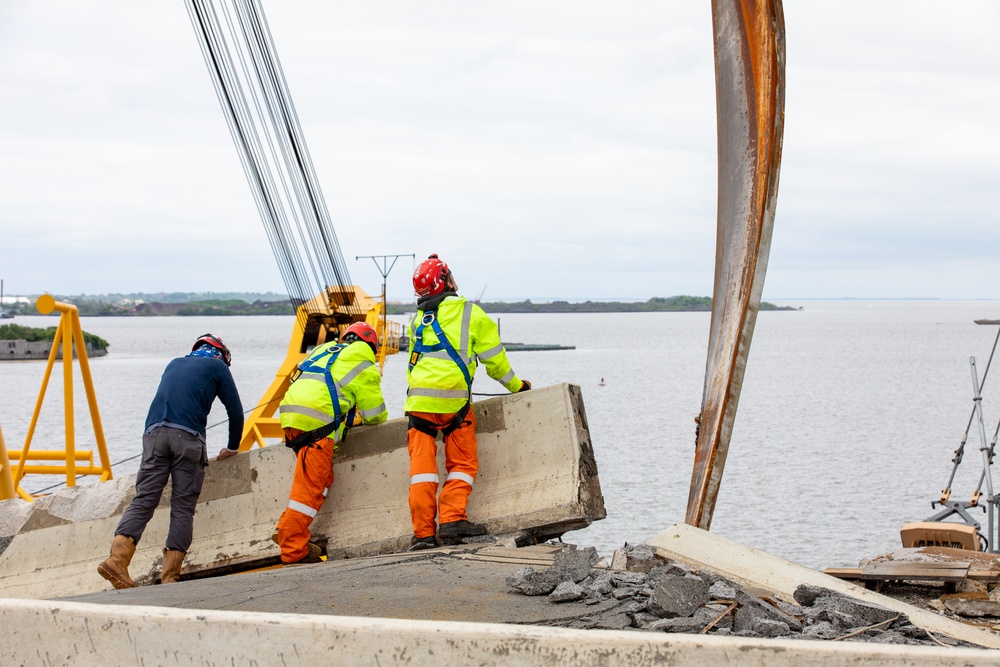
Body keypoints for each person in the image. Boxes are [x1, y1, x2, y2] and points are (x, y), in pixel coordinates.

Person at [97, 333, 244, 589]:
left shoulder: (174, 363)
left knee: (144, 500)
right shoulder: (217, 366)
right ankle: (170, 578)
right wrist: (232, 446)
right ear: (221, 353)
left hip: (153, 435)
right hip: (187, 438)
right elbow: (235, 411)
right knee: (183, 507)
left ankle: (116, 560)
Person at [405, 254, 531, 550]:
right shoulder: (470, 313)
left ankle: (422, 535)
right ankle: (451, 519)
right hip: (453, 405)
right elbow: (495, 362)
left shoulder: (417, 321)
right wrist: (518, 386)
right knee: (462, 463)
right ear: (446, 280)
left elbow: (413, 364)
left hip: (417, 404)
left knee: (421, 473)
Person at [273, 321, 388, 565]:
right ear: (371, 345)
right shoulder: (363, 360)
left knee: (320, 479)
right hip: (317, 426)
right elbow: (375, 414)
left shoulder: (323, 350)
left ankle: (286, 526)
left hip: (291, 419)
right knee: (309, 490)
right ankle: (293, 549)